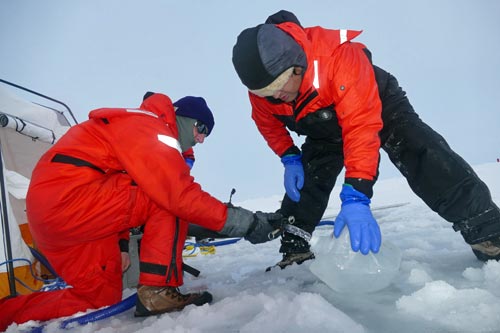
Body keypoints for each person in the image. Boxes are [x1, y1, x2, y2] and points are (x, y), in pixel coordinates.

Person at [231, 10, 500, 269]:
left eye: (278, 88)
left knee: (421, 154)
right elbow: (267, 123)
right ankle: (294, 246)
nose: (274, 96)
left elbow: (360, 128)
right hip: (321, 126)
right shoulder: (264, 90)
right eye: (264, 92)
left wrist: (356, 195)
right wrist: (289, 155)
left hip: (378, 104)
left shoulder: (339, 57)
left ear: (296, 68)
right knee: (309, 176)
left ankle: (488, 232)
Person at [0, 92, 281, 330]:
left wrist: (122, 244)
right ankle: (158, 288)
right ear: (185, 118)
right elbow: (177, 196)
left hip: (58, 217)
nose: (201, 139)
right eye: (202, 129)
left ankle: (5, 314)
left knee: (98, 297)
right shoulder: (151, 127)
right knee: (168, 198)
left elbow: (116, 191)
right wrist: (247, 224)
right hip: (69, 202)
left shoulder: (139, 132)